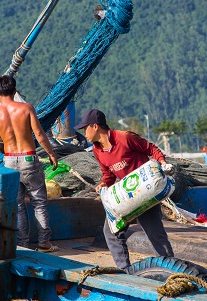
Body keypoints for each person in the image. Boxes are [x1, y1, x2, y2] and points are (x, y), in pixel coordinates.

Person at [75, 108, 175, 270]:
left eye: (85, 128)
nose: (83, 132)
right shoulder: (97, 150)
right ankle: (124, 269)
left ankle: (171, 269)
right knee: (111, 232)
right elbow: (108, 174)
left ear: (95, 126)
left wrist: (162, 163)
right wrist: (103, 184)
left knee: (155, 234)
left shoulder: (124, 138)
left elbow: (151, 149)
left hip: (145, 192)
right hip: (126, 196)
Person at [0, 76, 59, 252]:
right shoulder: (26, 109)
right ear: (15, 90)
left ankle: (22, 244)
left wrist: (3, 149)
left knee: (17, 205)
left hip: (9, 160)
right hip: (28, 159)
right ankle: (44, 243)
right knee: (39, 202)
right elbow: (40, 135)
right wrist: (51, 154)